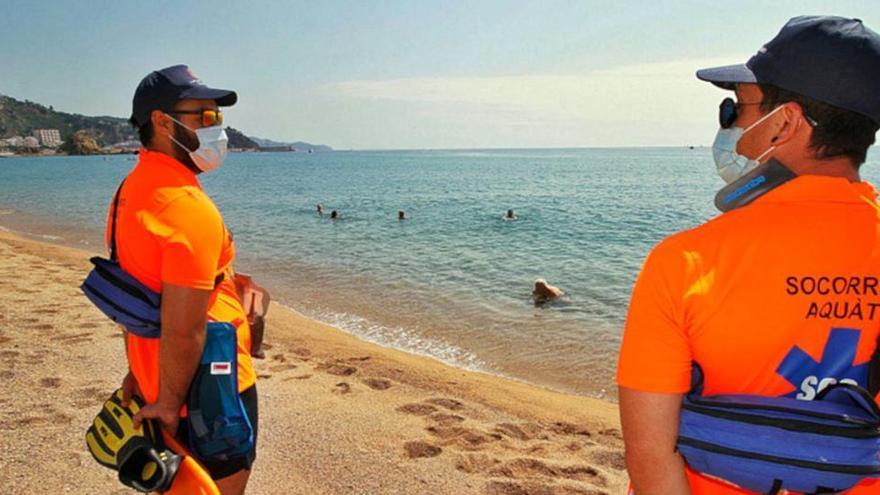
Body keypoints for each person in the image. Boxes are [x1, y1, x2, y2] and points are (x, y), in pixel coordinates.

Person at [616, 16, 880, 494]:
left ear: (784, 122)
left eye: (734, 108)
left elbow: (652, 459)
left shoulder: (685, 262)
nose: (730, 126)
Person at [112, 65, 258, 494]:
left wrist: (139, 374)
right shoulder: (185, 207)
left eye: (219, 118)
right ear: (161, 122)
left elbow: (132, 293)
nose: (218, 130)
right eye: (205, 117)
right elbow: (185, 328)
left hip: (159, 377)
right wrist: (169, 404)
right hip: (211, 390)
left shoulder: (131, 191)